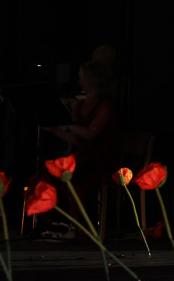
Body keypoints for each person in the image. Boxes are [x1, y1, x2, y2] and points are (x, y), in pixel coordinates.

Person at [35, 59, 120, 239]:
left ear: (92, 80)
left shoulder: (105, 106)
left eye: (82, 78)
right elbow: (77, 139)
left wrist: (66, 124)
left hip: (99, 160)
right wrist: (56, 130)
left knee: (71, 176)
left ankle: (71, 224)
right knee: (47, 175)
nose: (80, 82)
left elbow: (91, 135)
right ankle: (55, 223)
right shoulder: (80, 105)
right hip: (80, 157)